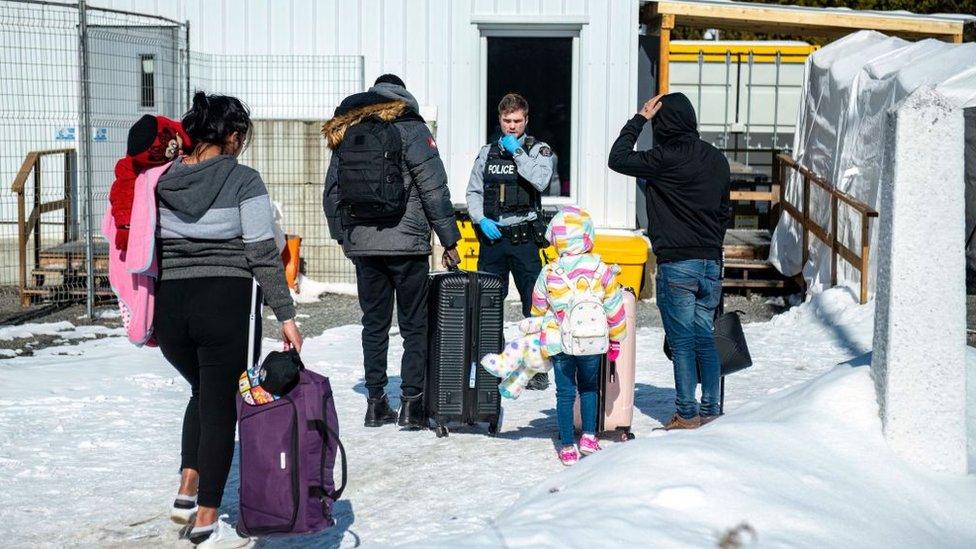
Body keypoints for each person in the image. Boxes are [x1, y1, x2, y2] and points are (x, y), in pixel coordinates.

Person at [154, 91, 302, 547]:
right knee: (220, 406)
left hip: (171, 308)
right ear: (233, 137)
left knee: (204, 391)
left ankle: (187, 487)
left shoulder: (158, 180)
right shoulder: (244, 180)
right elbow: (262, 252)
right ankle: (206, 516)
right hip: (223, 302)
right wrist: (287, 315)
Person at [323, 74, 461, 430]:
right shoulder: (413, 129)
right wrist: (449, 239)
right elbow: (434, 189)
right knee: (414, 324)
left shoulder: (351, 128)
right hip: (408, 244)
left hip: (364, 246)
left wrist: (344, 238)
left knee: (375, 324)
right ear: (404, 95)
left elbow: (332, 192)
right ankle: (412, 406)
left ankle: (375, 402)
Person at [608, 92, 731, 430]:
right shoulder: (717, 159)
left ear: (663, 123)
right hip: (710, 263)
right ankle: (710, 409)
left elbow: (617, 158)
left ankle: (687, 413)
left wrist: (639, 119)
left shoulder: (664, 158)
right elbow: (724, 212)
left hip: (678, 263)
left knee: (682, 341)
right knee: (704, 336)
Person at [466, 93, 559, 390]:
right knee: (488, 304)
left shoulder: (538, 150)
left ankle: (538, 367)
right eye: (507, 121)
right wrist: (480, 219)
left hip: (524, 239)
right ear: (500, 120)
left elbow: (540, 182)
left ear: (526, 120)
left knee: (534, 305)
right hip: (493, 240)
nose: (511, 127)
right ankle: (495, 362)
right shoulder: (487, 152)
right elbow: (473, 192)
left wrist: (518, 153)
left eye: (517, 121)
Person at [530, 206, 627, 465]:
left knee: (564, 393)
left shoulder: (550, 271)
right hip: (592, 342)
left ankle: (567, 446)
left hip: (560, 342)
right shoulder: (602, 269)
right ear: (587, 236)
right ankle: (588, 437)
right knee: (588, 388)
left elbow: (538, 307)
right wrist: (616, 338)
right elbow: (614, 307)